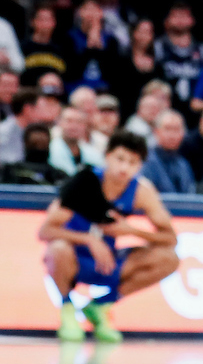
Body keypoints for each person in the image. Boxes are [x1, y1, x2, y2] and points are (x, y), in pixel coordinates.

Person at [39, 129, 178, 342]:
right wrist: (89, 239)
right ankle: (67, 310)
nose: (124, 167)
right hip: (75, 258)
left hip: (107, 261)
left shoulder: (142, 191)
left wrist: (131, 231)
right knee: (57, 248)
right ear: (107, 156)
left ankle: (100, 306)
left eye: (132, 162)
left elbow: (171, 239)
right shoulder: (84, 182)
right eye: (120, 159)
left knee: (169, 259)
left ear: (140, 166)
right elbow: (45, 231)